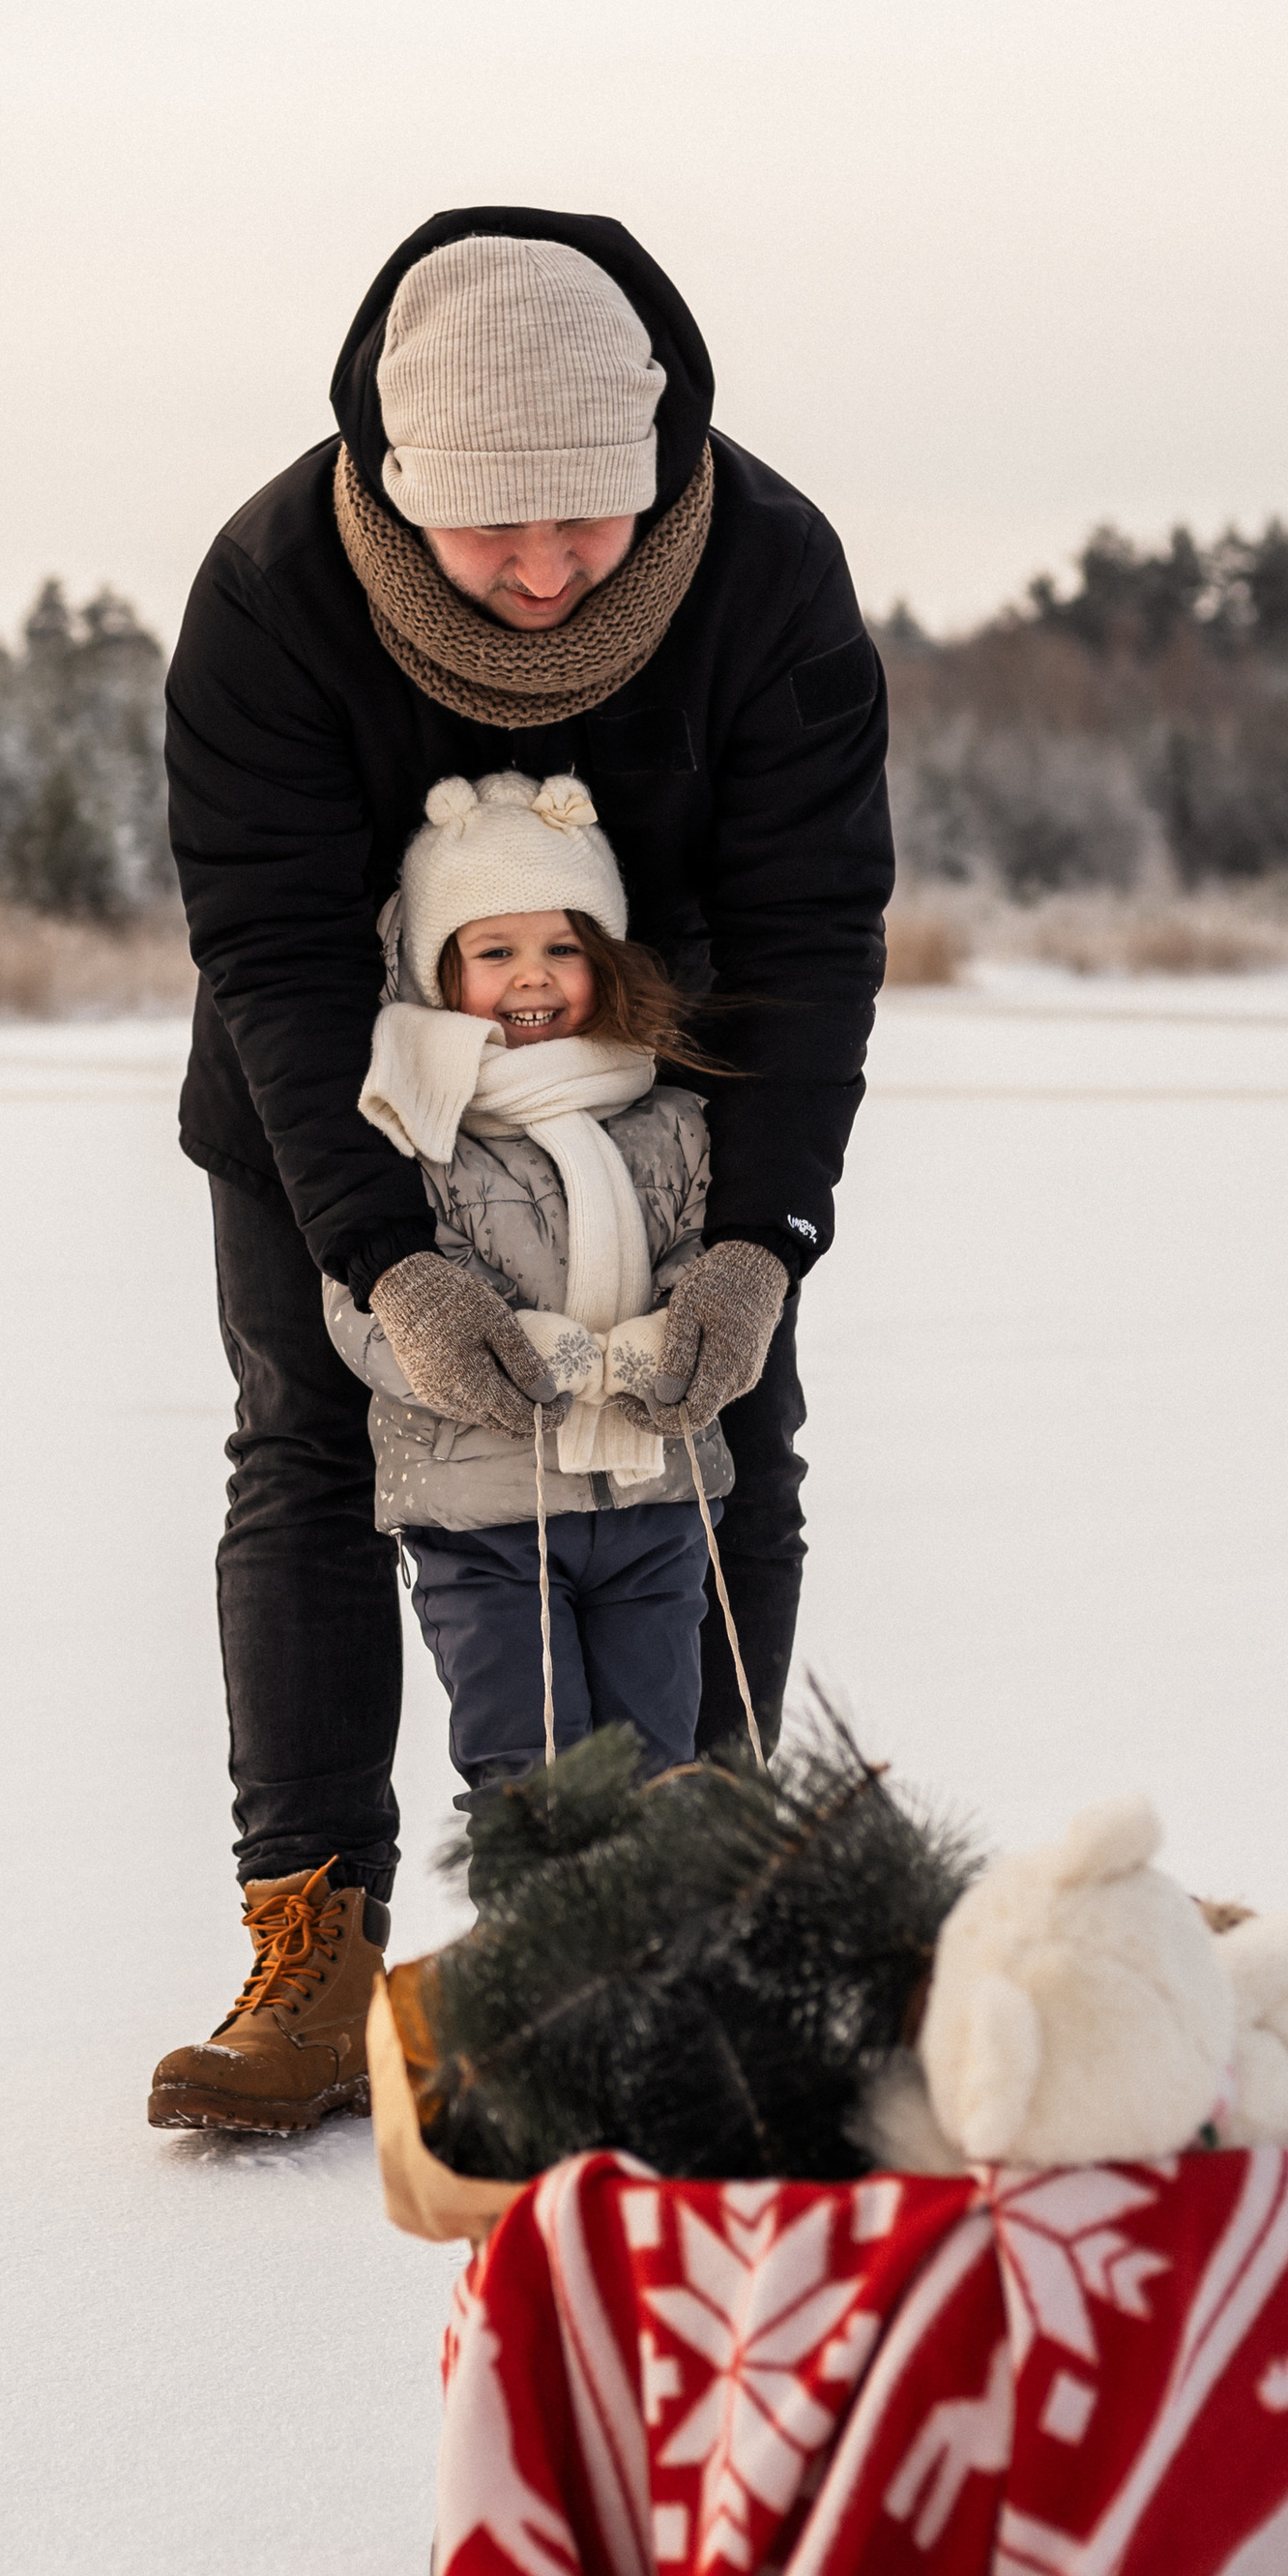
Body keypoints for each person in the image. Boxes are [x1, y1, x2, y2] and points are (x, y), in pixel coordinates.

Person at [147, 209, 893, 2136]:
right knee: (313, 1455)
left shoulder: (765, 571)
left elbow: (814, 929)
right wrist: (385, 1255)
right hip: (342, 1096)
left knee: (727, 1441)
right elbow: (276, 955)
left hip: (670, 1105)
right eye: (500, 533)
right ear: (402, 487)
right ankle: (310, 1943)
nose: (554, 573)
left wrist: (759, 1240)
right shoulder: (269, 590)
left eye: (593, 522)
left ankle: (703, 1916)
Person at [325, 768, 736, 1818]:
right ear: (436, 972)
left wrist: (687, 1333)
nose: (532, 978)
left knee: (660, 1772)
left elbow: (700, 1255)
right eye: (493, 952)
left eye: (562, 947)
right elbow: (363, 1304)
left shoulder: (665, 1118)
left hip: (654, 1507)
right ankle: (535, 1968)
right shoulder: (410, 1127)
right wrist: (496, 1354)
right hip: (485, 1518)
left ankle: (655, 1970)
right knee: (532, 1776)